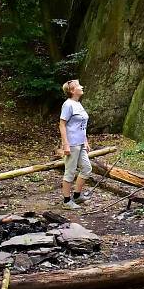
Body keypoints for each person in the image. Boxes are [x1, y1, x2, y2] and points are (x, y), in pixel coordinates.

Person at [59, 79, 92, 208]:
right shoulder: (68, 105)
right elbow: (62, 125)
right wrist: (65, 144)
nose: (81, 87)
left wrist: (85, 141)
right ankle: (66, 201)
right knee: (70, 172)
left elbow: (81, 125)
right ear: (72, 91)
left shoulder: (78, 104)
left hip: (81, 143)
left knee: (87, 169)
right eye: (78, 86)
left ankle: (77, 196)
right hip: (72, 143)